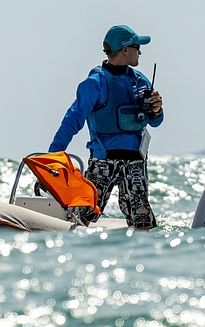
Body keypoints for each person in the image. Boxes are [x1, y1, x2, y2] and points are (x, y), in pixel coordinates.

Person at [48, 25, 164, 230]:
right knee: (84, 216)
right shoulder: (95, 82)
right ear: (125, 49)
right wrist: (53, 157)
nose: (140, 51)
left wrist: (156, 110)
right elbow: (72, 120)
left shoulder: (141, 80)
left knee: (143, 220)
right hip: (104, 161)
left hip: (136, 161)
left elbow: (155, 122)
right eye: (137, 47)